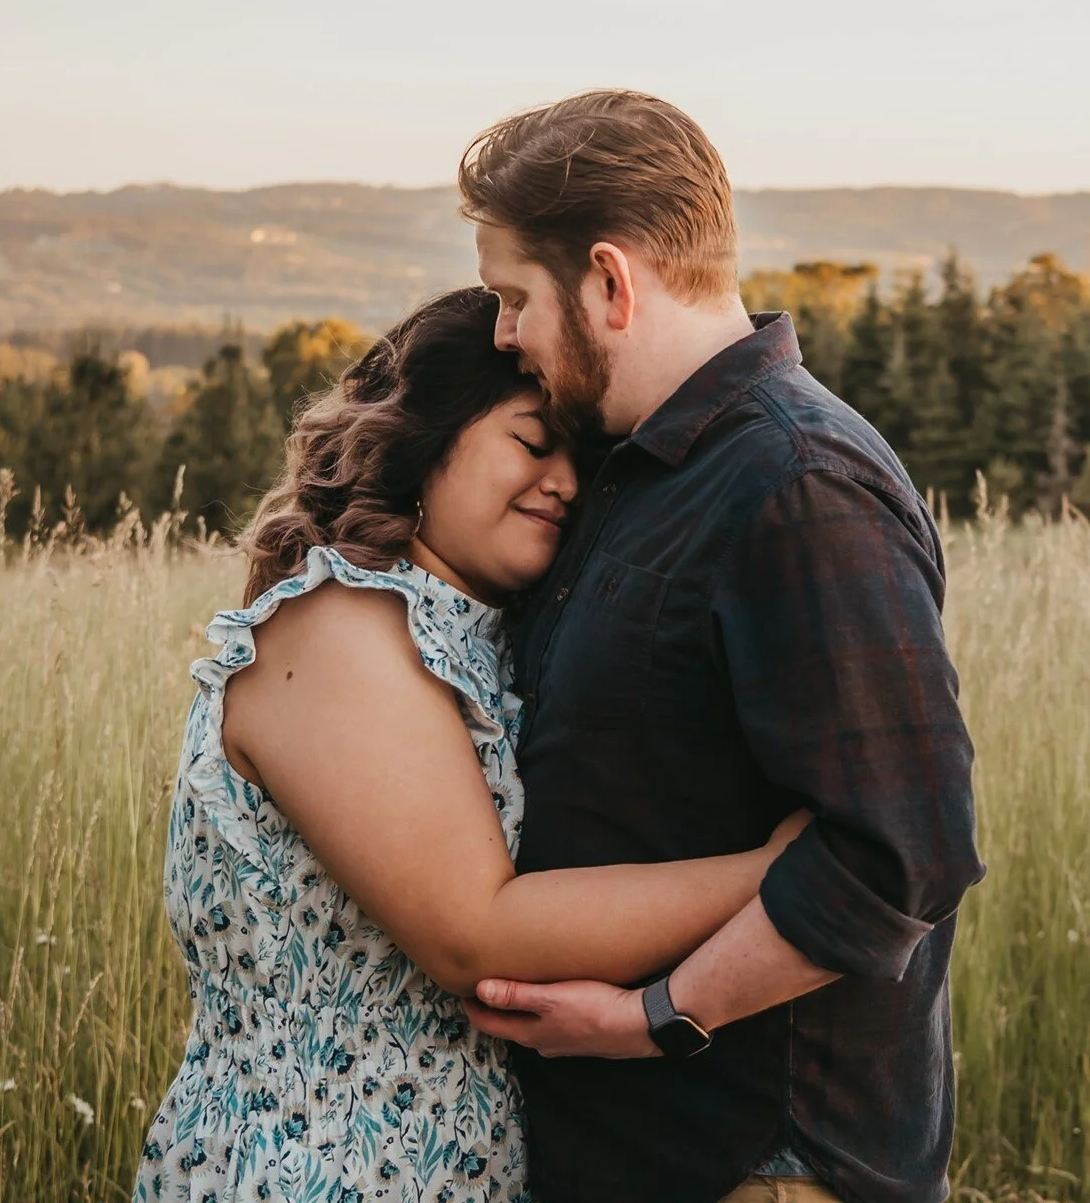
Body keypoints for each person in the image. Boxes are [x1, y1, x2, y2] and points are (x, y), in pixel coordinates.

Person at [133, 287, 806, 1203]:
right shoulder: (342, 631)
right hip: (317, 1168)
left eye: (584, 460)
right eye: (533, 444)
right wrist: (784, 869)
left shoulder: (474, 637)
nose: (566, 483)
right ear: (425, 439)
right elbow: (476, 936)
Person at [461, 89, 986, 1203]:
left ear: (611, 279)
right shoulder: (638, 473)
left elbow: (901, 852)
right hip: (636, 1153)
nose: (502, 333)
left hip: (760, 1161)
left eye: (513, 297)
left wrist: (659, 1017)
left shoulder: (796, 484)